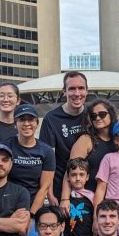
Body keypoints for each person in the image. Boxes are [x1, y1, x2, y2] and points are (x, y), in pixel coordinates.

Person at [40, 71, 89, 206]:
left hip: (90, 187)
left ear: (87, 90)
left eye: (81, 88)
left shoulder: (93, 115)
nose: (77, 93)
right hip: (60, 187)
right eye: (72, 89)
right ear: (64, 92)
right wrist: (49, 193)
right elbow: (47, 160)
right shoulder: (51, 119)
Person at [3, 104, 56, 227]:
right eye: (22, 120)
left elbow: (44, 188)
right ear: (15, 124)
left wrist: (31, 216)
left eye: (30, 119)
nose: (26, 123)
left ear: (36, 123)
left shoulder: (46, 151)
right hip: (7, 206)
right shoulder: (6, 147)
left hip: (33, 206)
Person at [63, 98, 118, 201]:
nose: (97, 118)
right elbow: (70, 170)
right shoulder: (86, 140)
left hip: (115, 199)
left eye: (102, 114)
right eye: (93, 116)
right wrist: (65, 199)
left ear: (111, 115)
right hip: (87, 199)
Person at [63, 158, 95, 236]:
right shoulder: (65, 199)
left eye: (81, 175)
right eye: (73, 175)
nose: (78, 178)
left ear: (87, 177)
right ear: (68, 177)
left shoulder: (92, 197)